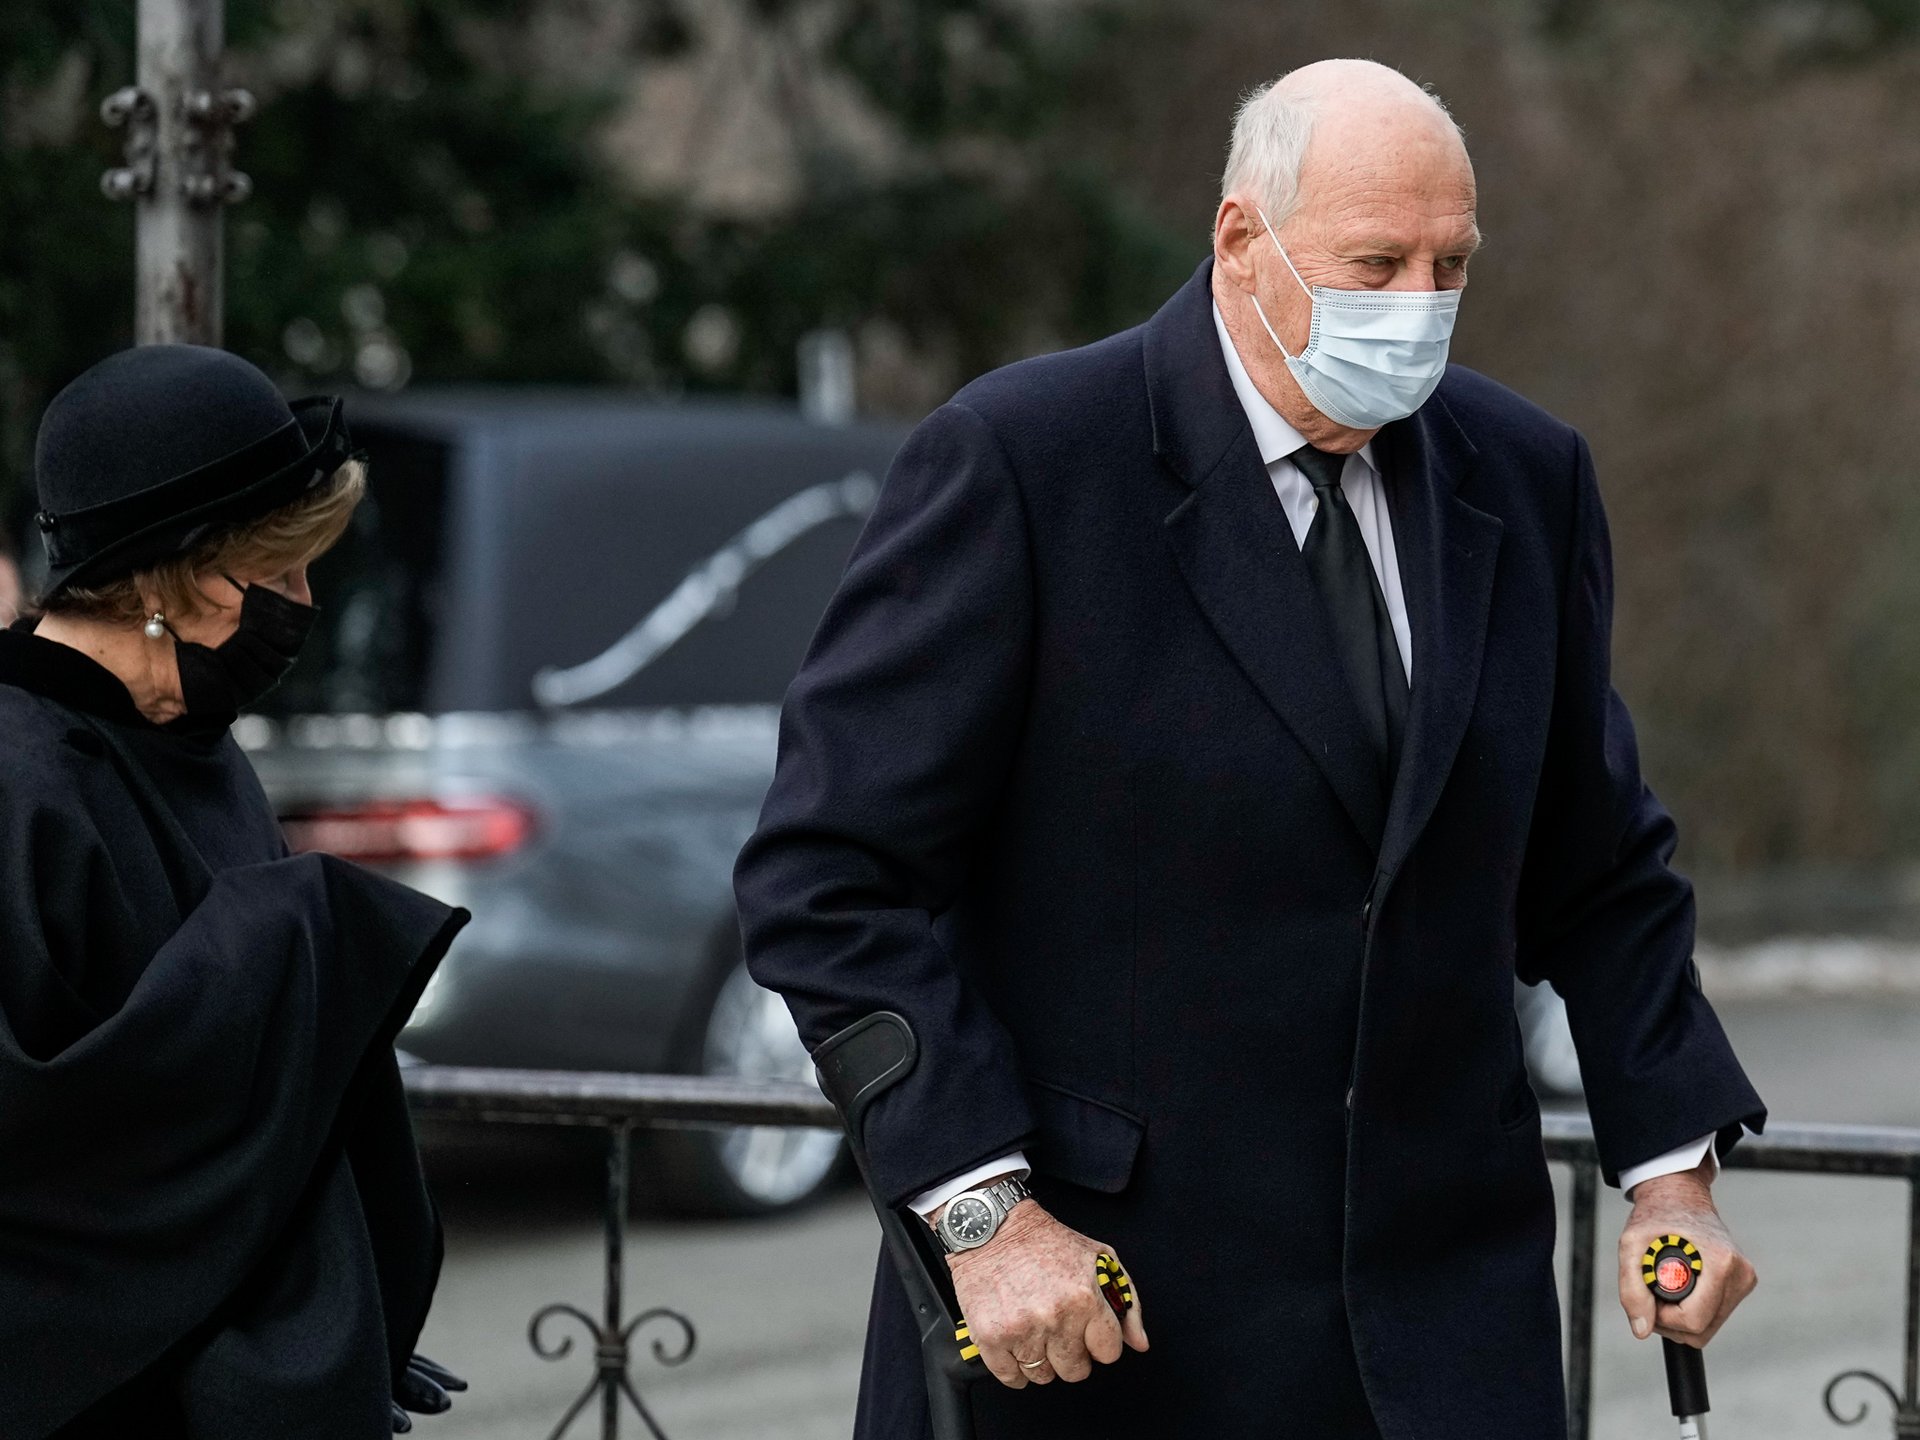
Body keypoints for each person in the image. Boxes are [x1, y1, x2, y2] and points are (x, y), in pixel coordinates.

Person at [734, 59, 1765, 1440]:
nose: (1420, 305)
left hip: (1446, 1334)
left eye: (1452, 264)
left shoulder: (1527, 475)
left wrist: (1672, 1173)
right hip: (1098, 1323)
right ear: (1239, 240)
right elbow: (828, 877)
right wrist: (981, 1213)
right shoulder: (1026, 461)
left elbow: (1599, 866)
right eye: (1376, 264)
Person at [0, 344, 468, 1439]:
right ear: (183, 576)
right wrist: (302, 929)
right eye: (284, 571)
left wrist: (329, 1305)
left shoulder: (194, 743)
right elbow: (50, 1142)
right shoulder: (19, 780)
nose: (303, 604)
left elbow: (260, 1117)